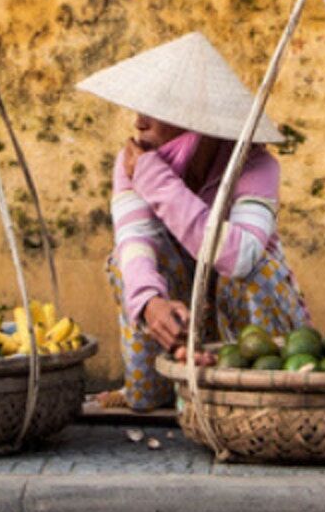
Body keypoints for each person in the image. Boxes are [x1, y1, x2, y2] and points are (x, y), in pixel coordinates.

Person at [76, 33, 311, 411]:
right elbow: (134, 239)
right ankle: (156, 384)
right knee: (122, 262)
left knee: (256, 266)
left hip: (251, 338)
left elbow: (239, 258)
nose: (138, 123)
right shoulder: (131, 162)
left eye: (156, 110)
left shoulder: (255, 165)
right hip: (183, 318)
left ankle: (259, 387)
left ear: (194, 120)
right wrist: (150, 303)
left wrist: (154, 178)